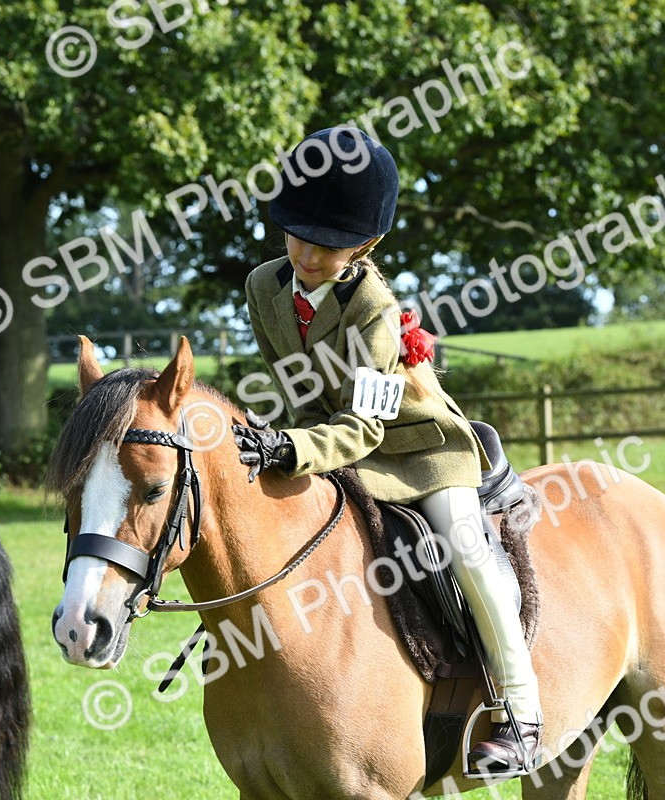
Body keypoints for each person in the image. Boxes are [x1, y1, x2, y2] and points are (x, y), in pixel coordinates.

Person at [233, 127, 544, 774]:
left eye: (328, 246)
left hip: (416, 449)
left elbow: (364, 430)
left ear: (366, 245)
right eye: (297, 235)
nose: (307, 256)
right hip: (330, 444)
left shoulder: (375, 310)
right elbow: (296, 392)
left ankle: (521, 713)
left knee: (463, 544)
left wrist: (288, 448)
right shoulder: (263, 286)